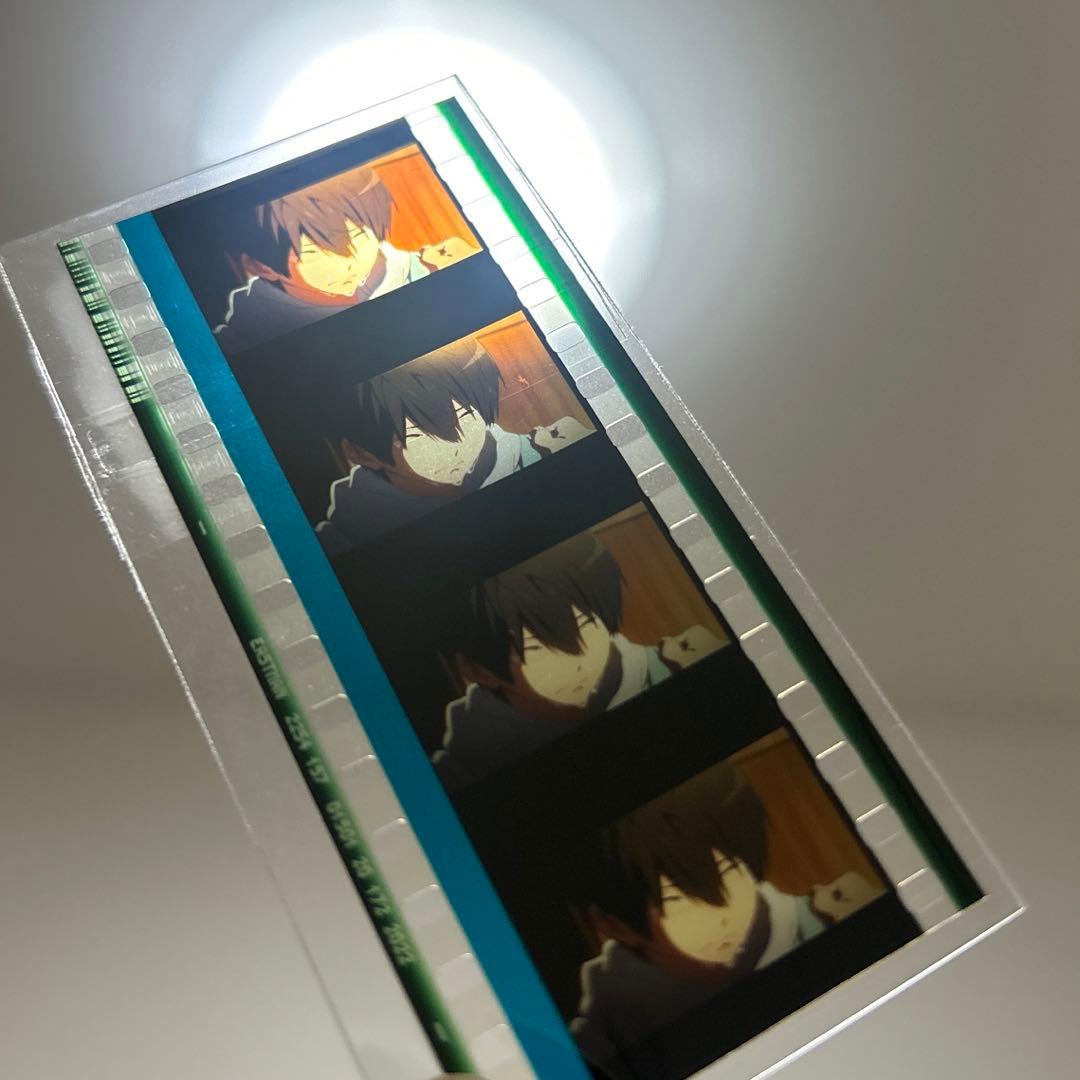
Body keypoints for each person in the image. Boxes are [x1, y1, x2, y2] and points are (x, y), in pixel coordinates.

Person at [568, 761, 880, 1079]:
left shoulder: (823, 920)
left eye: (730, 873)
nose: (723, 916)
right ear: (617, 925)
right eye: (678, 902)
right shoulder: (608, 1032)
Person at [433, 532, 723, 789]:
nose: (579, 661)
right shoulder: (465, 766)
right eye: (537, 649)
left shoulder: (673, 667)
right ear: (479, 671)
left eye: (587, 625)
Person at [315, 337, 592, 552]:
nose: (458, 445)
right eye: (417, 436)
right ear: (361, 453)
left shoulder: (546, 450)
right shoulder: (346, 536)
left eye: (465, 415)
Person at [213, 163, 478, 354]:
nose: (350, 262)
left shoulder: (402, 268)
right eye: (315, 253)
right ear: (262, 267)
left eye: (361, 237)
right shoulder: (255, 327)